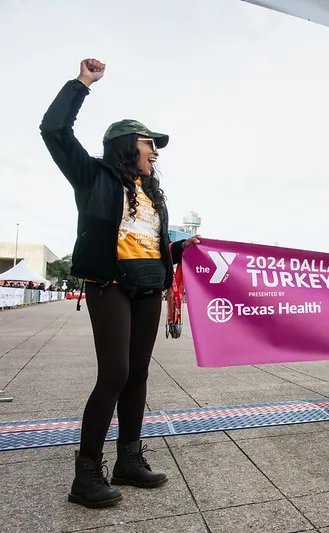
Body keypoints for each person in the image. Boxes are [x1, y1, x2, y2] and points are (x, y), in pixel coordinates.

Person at [40, 58, 200, 508]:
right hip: (109, 284)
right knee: (115, 372)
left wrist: (180, 251)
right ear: (129, 144)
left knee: (139, 374)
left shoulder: (153, 193)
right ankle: (86, 474)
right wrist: (81, 85)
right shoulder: (93, 176)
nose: (156, 152)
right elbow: (53, 131)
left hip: (148, 288)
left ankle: (129, 460)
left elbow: (150, 244)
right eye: (151, 143)